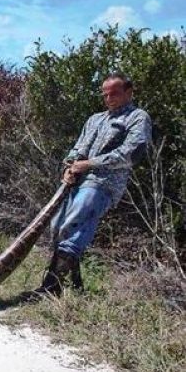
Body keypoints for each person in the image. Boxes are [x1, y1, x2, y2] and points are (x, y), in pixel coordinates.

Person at [27, 72, 152, 299]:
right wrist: (69, 165)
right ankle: (74, 283)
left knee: (75, 221)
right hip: (75, 180)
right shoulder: (94, 119)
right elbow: (78, 148)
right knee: (57, 227)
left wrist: (89, 164)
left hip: (103, 182)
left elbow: (131, 153)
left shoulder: (137, 117)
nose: (109, 98)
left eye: (114, 93)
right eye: (105, 94)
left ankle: (50, 287)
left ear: (128, 92)